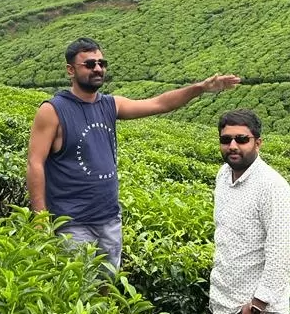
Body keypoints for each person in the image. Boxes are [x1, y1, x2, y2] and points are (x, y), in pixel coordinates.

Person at [27, 37, 240, 270]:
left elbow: (159, 104)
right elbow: (35, 163)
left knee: (106, 285)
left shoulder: (110, 105)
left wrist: (200, 88)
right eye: (89, 64)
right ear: (70, 70)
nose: (98, 68)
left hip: (109, 218)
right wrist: (40, 219)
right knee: (77, 289)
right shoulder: (53, 110)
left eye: (101, 63)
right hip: (71, 223)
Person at [209, 109, 290, 314]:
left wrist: (257, 305)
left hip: (260, 310)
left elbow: (281, 253)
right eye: (226, 139)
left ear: (257, 142)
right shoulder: (223, 176)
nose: (233, 145)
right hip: (228, 301)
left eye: (241, 139)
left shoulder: (273, 187)